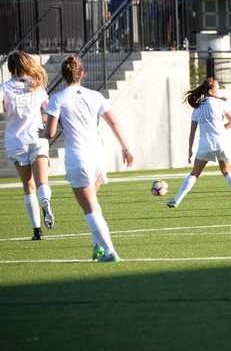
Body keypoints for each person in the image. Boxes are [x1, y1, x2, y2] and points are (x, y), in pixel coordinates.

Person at [42, 56, 134, 262]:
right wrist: (126, 148)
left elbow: (50, 133)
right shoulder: (95, 96)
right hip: (99, 156)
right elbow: (114, 124)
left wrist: (40, 133)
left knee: (90, 209)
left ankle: (110, 252)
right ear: (82, 75)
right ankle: (97, 247)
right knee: (94, 205)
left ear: (63, 76)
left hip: (79, 157)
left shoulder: (57, 98)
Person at [166, 78, 231, 207]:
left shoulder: (197, 107)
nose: (219, 90)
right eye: (217, 88)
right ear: (210, 91)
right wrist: (220, 128)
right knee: (227, 171)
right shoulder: (220, 103)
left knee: (194, 174)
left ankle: (177, 200)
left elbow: (192, 131)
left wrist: (190, 150)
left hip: (205, 144)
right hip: (221, 142)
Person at [0, 51, 54, 240]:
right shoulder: (36, 86)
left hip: (16, 141)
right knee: (42, 183)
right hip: (37, 138)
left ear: (10, 68)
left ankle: (37, 231)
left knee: (28, 186)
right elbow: (50, 110)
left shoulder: (4, 88)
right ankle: (45, 200)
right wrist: (40, 120)